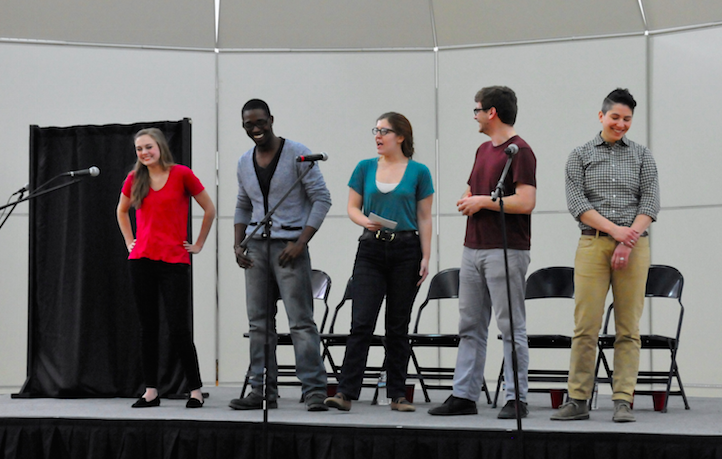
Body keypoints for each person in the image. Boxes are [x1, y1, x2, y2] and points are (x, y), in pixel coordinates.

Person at [551, 88, 660, 423]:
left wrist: (628, 241)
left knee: (628, 328)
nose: (621, 124)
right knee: (586, 326)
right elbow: (578, 205)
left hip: (635, 246)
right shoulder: (579, 155)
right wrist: (616, 233)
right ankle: (578, 399)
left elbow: (650, 204)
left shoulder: (643, 156)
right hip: (593, 244)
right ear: (601, 116)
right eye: (615, 117)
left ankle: (623, 400)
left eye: (627, 119)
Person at [428, 86, 536, 419]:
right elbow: (473, 188)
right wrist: (467, 198)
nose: (474, 116)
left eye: (476, 110)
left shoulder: (520, 151)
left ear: (492, 112)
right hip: (472, 248)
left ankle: (516, 397)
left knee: (510, 325)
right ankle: (464, 394)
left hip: (506, 249)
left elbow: (526, 201)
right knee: (470, 324)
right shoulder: (482, 150)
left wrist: (483, 201)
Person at [324, 112, 433, 413]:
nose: (377, 136)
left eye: (384, 131)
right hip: (371, 249)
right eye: (376, 130)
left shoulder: (419, 172)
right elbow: (352, 207)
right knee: (361, 322)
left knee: (397, 325)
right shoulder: (364, 167)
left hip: (406, 250)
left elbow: (424, 217)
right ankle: (345, 392)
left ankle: (398, 394)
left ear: (400, 136)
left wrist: (426, 256)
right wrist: (365, 221)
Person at [230, 99, 332, 412]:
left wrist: (301, 242)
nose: (256, 129)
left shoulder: (298, 154)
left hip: (290, 248)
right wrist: (238, 244)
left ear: (271, 119)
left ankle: (314, 390)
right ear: (244, 126)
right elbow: (243, 205)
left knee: (301, 322)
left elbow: (322, 199)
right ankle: (261, 392)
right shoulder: (244, 161)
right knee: (259, 324)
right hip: (257, 249)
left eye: (261, 122)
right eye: (250, 124)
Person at [116, 128, 216, 409]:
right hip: (142, 260)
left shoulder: (182, 174)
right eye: (139, 149)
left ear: (160, 146)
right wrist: (129, 241)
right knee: (148, 328)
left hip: (173, 260)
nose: (144, 153)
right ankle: (151, 391)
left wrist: (197, 244)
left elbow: (209, 208)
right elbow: (121, 210)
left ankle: (194, 390)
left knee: (178, 328)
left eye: (148, 147)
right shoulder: (135, 178)